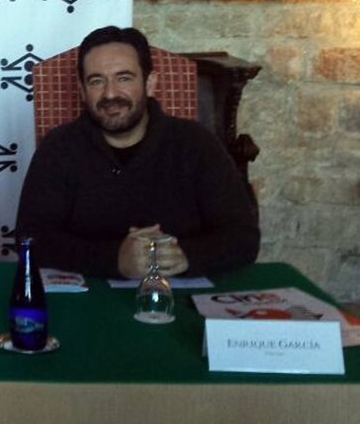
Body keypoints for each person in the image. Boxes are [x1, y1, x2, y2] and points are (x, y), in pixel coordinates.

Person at [16, 26, 260, 278]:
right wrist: (114, 260)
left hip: (178, 293)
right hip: (90, 294)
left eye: (124, 78)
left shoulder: (196, 143)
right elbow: (31, 238)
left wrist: (187, 256)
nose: (110, 93)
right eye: (96, 81)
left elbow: (243, 237)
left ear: (150, 83)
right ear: (82, 91)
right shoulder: (58, 148)